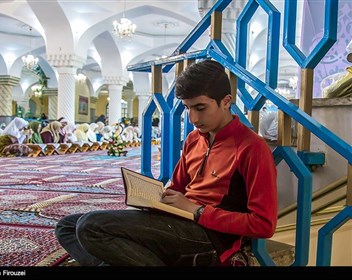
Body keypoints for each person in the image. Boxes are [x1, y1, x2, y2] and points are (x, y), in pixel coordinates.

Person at [55, 60, 278, 266]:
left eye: (200, 108)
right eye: (188, 108)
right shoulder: (194, 139)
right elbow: (177, 188)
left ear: (226, 102)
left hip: (210, 236)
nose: (193, 118)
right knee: (67, 227)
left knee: (90, 227)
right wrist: (155, 200)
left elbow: (263, 224)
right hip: (177, 221)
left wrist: (198, 211)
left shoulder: (252, 148)